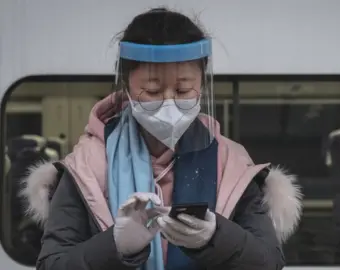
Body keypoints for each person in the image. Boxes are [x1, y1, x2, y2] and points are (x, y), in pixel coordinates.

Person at [21, 7, 302, 270]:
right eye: (152, 91)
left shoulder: (231, 163)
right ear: (127, 88)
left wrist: (217, 237)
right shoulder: (87, 166)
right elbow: (51, 263)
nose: (169, 103)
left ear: (203, 86)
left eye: (183, 90)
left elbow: (269, 261)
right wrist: (116, 246)